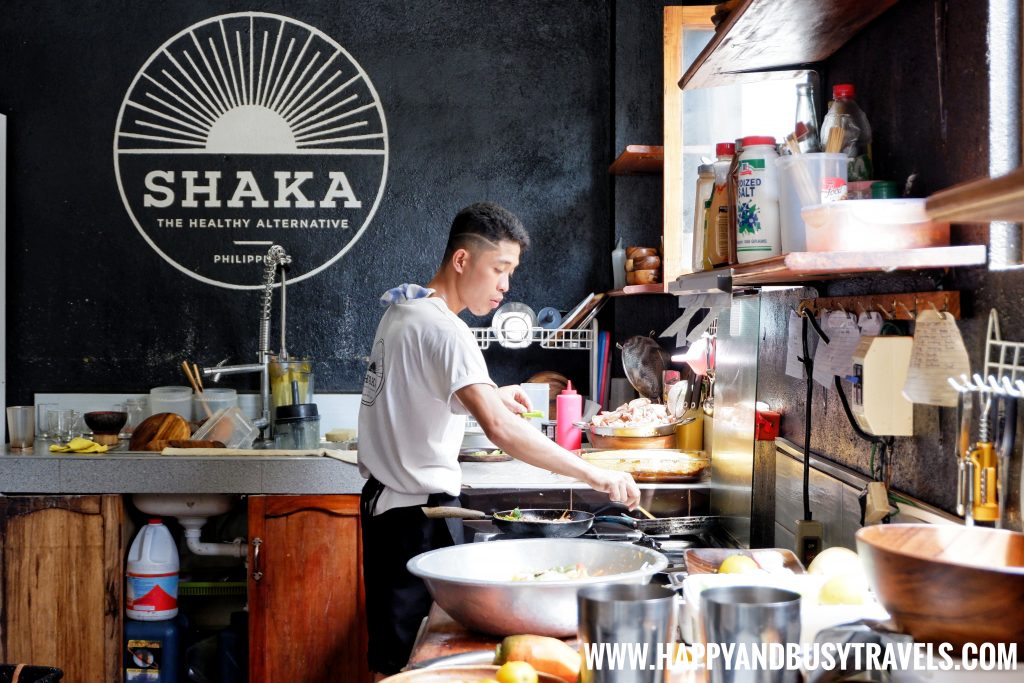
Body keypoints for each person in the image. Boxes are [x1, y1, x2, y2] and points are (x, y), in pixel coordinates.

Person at [357, 201, 640, 677]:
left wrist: (489, 392)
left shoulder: (404, 309)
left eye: (511, 271)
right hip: (413, 517)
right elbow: (501, 430)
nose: (506, 285)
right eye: (499, 269)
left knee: (397, 656)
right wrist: (595, 472)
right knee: (417, 665)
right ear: (462, 261)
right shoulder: (449, 332)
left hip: (385, 508)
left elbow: (416, 392)